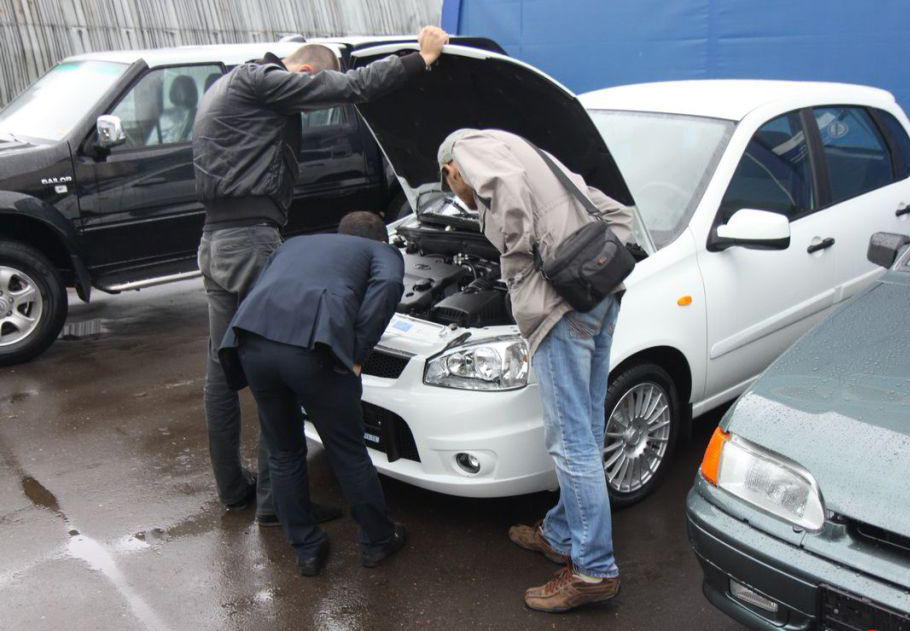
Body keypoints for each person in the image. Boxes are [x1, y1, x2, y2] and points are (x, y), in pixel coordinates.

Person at [192, 26, 449, 525]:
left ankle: (234, 488)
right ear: (306, 73)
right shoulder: (261, 80)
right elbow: (351, 88)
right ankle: (277, 504)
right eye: (312, 90)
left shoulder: (223, 88)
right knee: (280, 366)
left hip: (214, 240)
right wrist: (420, 60)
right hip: (250, 242)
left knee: (223, 374)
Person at [437, 129, 634, 613]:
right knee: (583, 430)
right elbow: (616, 214)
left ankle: (593, 570)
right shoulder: (540, 158)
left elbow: (506, 198)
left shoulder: (467, 148)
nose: (464, 201)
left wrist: (524, 260)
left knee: (569, 442)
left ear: (450, 170)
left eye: (456, 192)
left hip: (560, 308)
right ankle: (563, 533)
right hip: (600, 296)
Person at [218, 212, 407, 576]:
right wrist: (356, 352)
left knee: (285, 451)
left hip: (252, 342)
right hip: (312, 351)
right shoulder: (380, 252)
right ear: (381, 240)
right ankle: (378, 540)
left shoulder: (297, 243)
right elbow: (387, 286)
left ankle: (306, 547)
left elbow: (268, 286)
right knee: (347, 450)